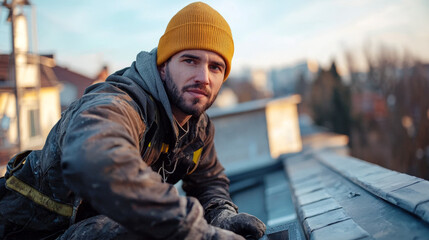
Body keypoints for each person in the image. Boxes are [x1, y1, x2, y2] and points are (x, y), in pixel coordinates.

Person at [0, 2, 266, 240]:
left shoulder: (198, 129)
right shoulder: (118, 103)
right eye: (190, 60)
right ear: (163, 66)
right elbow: (97, 160)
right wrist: (195, 231)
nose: (203, 77)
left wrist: (221, 215)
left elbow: (209, 181)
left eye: (215, 67)